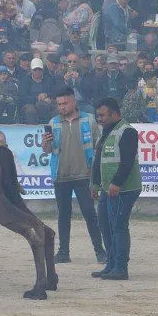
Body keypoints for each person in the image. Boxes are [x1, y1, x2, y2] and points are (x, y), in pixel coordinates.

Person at [41, 88, 105, 264]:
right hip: (61, 176)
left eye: (65, 103)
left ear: (73, 102)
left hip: (84, 175)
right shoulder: (53, 123)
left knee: (90, 214)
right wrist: (44, 143)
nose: (62, 107)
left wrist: (96, 174)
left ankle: (100, 251)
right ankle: (63, 252)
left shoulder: (89, 120)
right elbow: (47, 151)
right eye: (59, 104)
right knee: (63, 215)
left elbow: (98, 146)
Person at [90, 97, 141, 281]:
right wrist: (95, 184)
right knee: (105, 225)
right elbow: (98, 162)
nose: (99, 119)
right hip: (107, 188)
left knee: (118, 226)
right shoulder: (106, 131)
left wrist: (117, 183)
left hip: (123, 189)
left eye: (103, 115)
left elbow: (127, 161)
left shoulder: (127, 131)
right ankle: (111, 265)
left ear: (115, 114)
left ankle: (121, 267)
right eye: (98, 116)